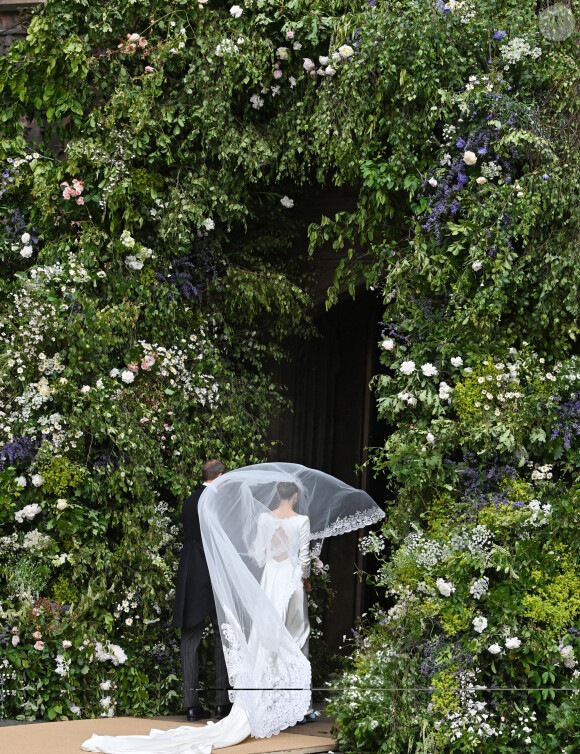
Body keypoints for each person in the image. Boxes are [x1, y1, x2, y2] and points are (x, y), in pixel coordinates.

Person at [82, 463, 385, 754]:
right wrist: (301, 577)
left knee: (250, 641)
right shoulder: (291, 519)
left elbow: (257, 551)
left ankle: (219, 704)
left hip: (255, 579)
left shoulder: (197, 504)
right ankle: (290, 704)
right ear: (294, 495)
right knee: (294, 638)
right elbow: (302, 558)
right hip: (280, 580)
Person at [172, 459, 231, 721]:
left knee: (190, 638)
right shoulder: (219, 502)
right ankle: (222, 703)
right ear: (219, 476)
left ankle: (191, 705)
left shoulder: (188, 501)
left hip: (192, 573)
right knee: (224, 636)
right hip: (216, 571)